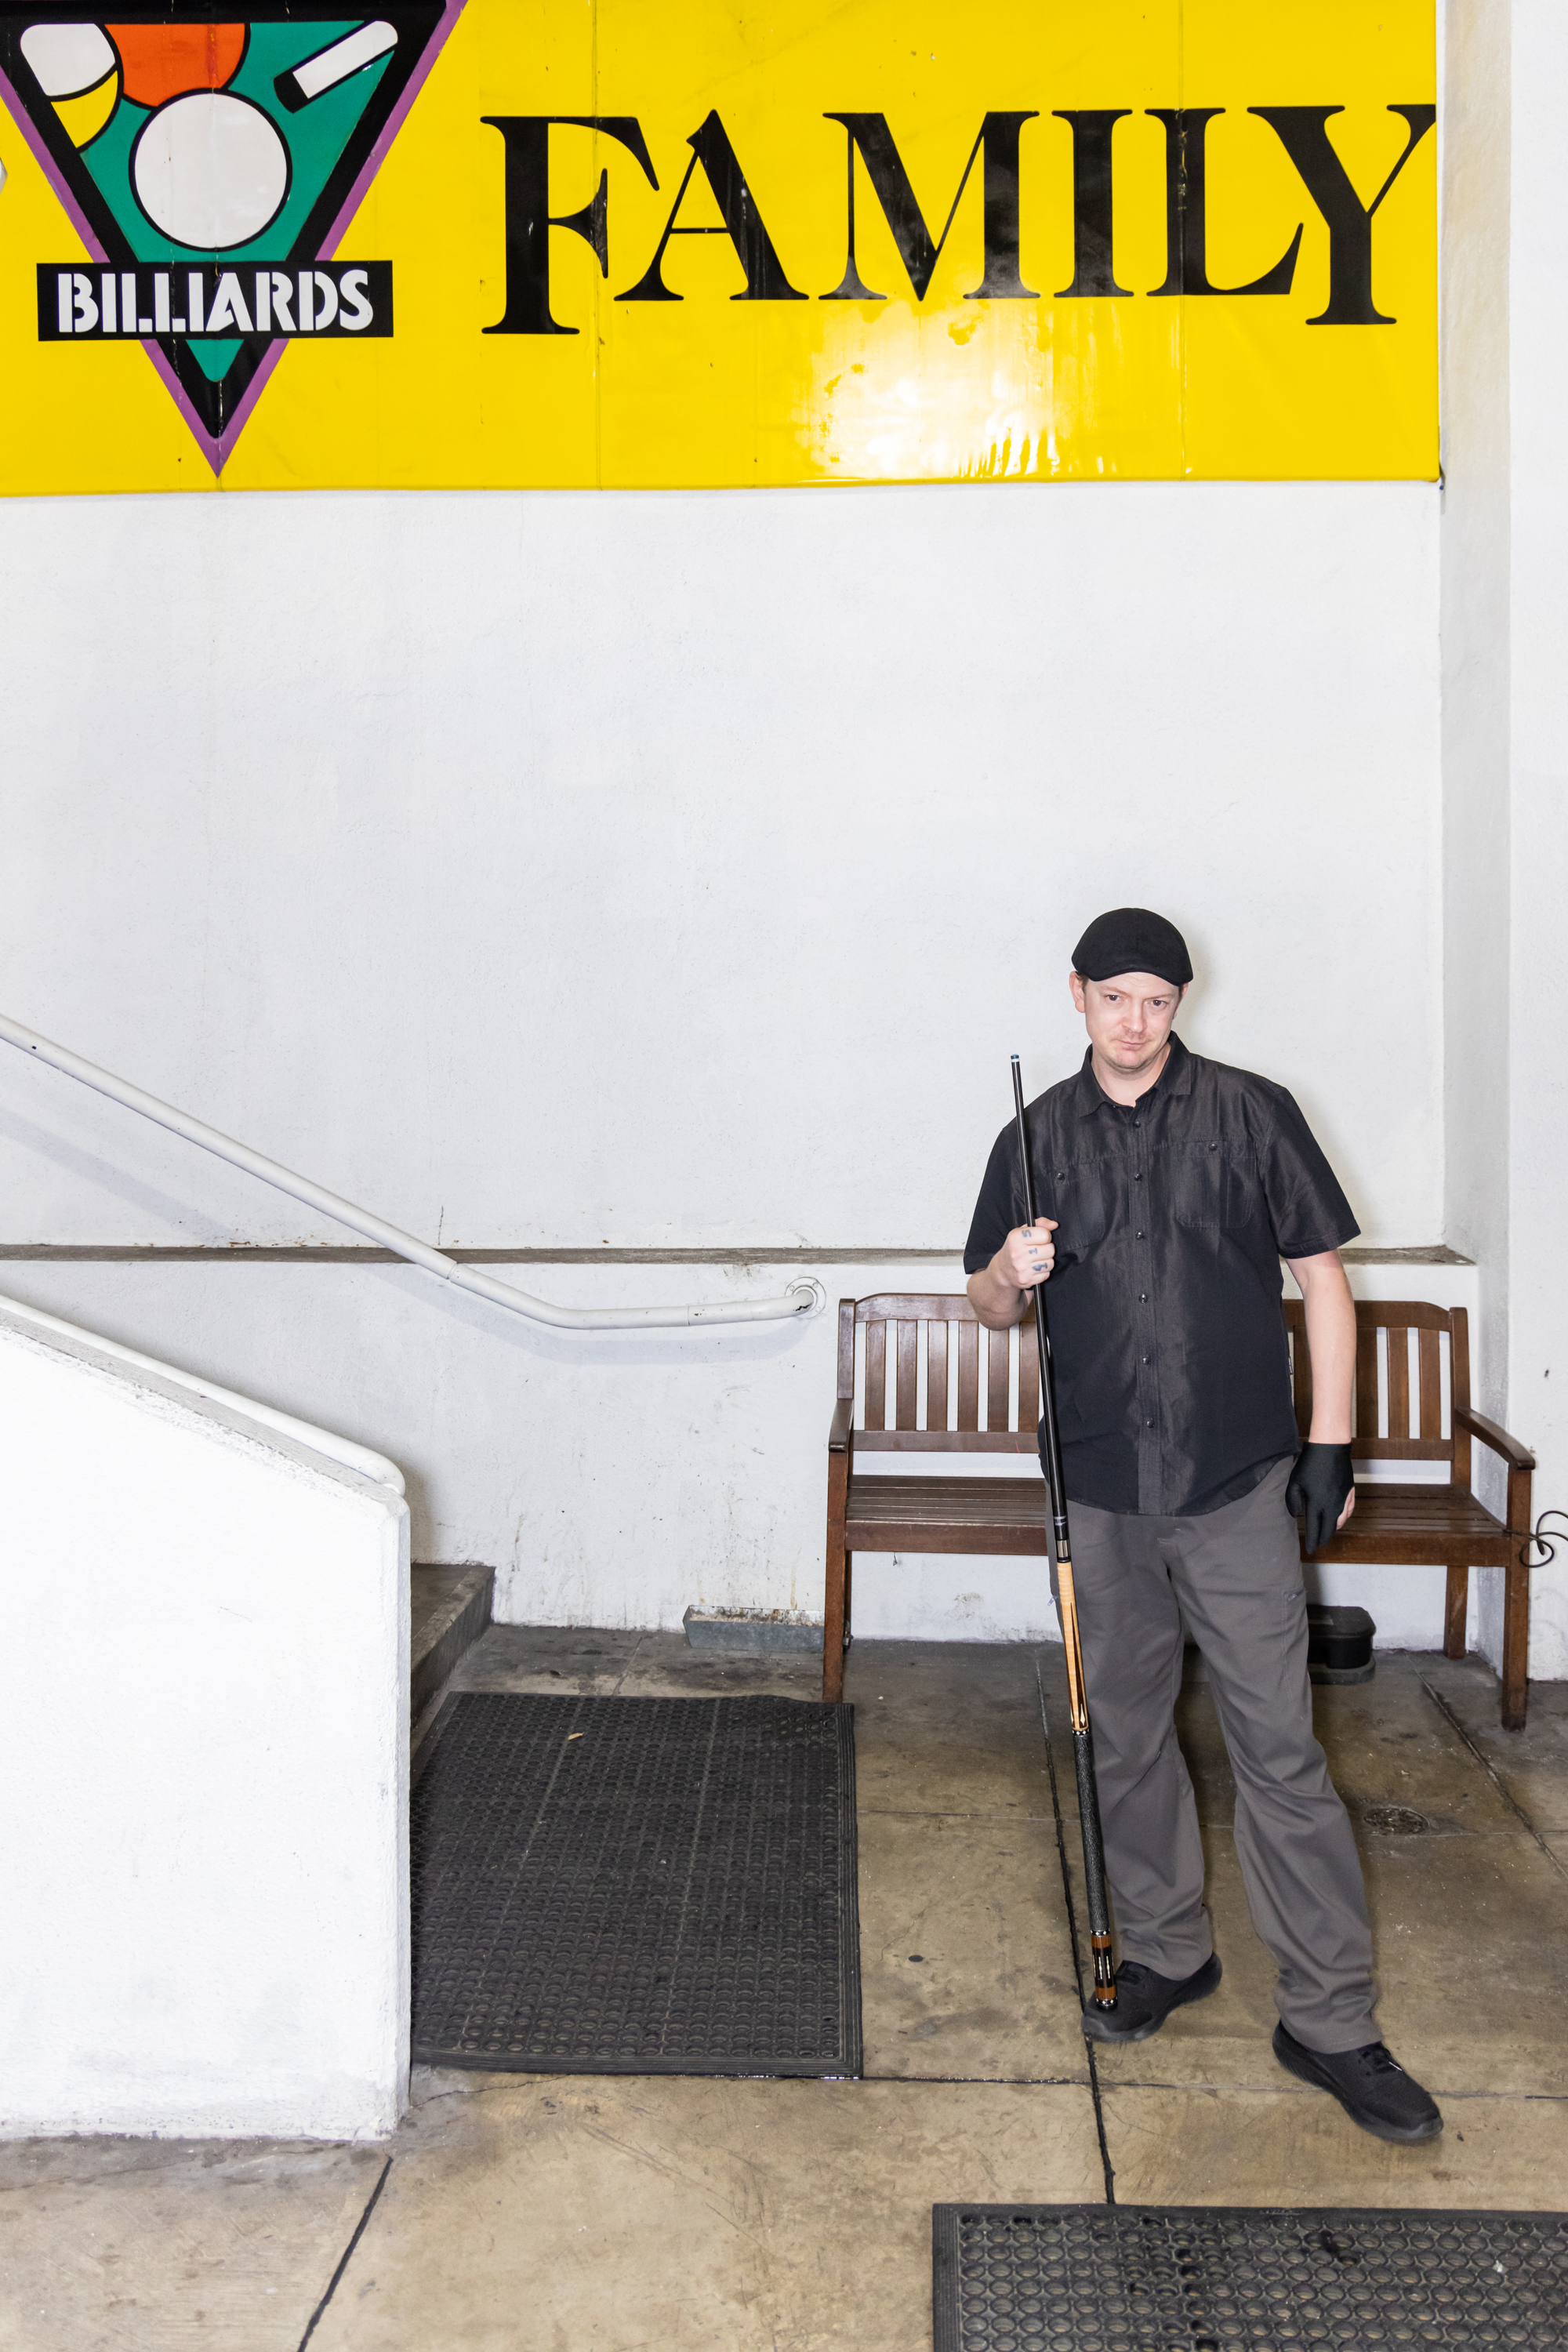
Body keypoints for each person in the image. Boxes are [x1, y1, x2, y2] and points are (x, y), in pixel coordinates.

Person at [964, 907, 1441, 2147]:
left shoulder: (1252, 1112)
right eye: (1115, 998)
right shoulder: (1031, 1139)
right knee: (1124, 1735)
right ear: (1075, 995)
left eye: (1158, 1001)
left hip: (1235, 1485)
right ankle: (1171, 1951)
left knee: (1278, 1749)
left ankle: (1331, 2019)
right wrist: (1009, 1274)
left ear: (1182, 1003)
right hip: (1103, 1488)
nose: (1136, 1022)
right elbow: (984, 1307)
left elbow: (1324, 1278)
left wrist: (1333, 1442)